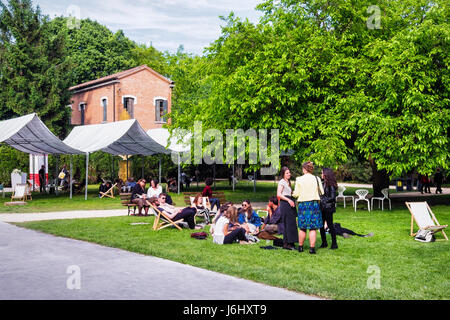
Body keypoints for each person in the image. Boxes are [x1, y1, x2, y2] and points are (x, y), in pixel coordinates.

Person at [292, 161, 324, 254]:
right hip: (313, 205)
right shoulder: (317, 178)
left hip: (302, 205)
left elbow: (296, 194)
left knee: (302, 227)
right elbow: (322, 192)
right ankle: (312, 249)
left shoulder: (299, 179)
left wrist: (292, 194)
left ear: (305, 169)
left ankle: (300, 247)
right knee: (312, 228)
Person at [277, 166, 298, 250]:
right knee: (288, 224)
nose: (289, 174)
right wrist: (288, 200)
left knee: (292, 223)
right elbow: (279, 194)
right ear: (283, 174)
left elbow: (290, 193)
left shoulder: (288, 182)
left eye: (289, 172)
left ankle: (291, 242)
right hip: (285, 204)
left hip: (290, 204)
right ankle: (286, 243)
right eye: (287, 173)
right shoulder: (282, 182)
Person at [318, 168, 338, 250]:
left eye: (322, 173)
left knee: (330, 225)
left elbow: (333, 197)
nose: (321, 174)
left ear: (326, 174)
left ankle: (334, 244)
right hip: (322, 207)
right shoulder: (323, 183)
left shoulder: (331, 185)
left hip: (328, 207)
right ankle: (324, 242)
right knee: (321, 225)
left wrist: (322, 200)